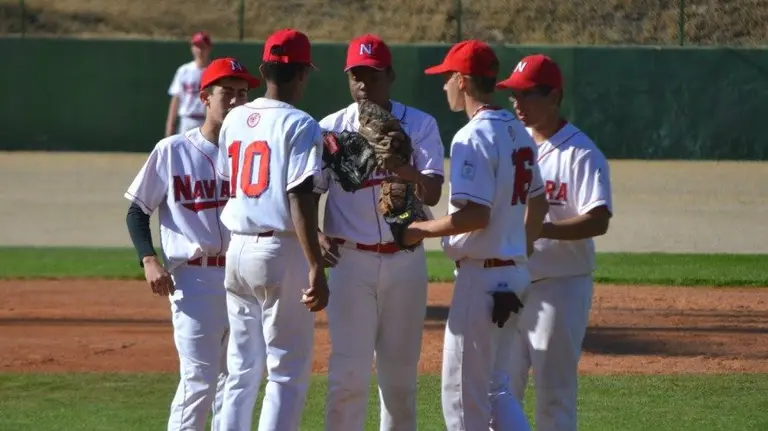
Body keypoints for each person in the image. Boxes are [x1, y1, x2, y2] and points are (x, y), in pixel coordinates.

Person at [405, 40, 550, 431]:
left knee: (462, 398)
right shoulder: (520, 133)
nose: (443, 87)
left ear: (462, 80)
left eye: (446, 78)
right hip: (514, 273)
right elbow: (539, 203)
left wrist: (420, 229)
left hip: (483, 279)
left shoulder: (471, 136)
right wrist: (521, 247)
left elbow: (475, 215)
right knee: (496, 390)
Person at [313, 33, 445, 431]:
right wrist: (317, 236)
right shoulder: (329, 129)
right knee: (347, 377)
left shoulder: (420, 124)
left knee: (400, 381)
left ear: (390, 75)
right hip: (350, 262)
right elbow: (308, 192)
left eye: (371, 75)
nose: (363, 84)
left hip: (405, 262)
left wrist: (402, 168)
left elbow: (433, 192)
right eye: (356, 75)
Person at [124, 56, 260, 431]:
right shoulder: (172, 150)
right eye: (227, 93)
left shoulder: (252, 153)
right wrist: (148, 259)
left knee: (236, 381)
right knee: (199, 381)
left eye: (243, 93)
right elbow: (137, 210)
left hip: (243, 275)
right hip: (194, 281)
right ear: (204, 98)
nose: (236, 101)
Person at [215, 28, 329, 431]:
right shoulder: (301, 124)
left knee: (241, 370)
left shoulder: (233, 119)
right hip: (279, 252)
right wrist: (315, 262)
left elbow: (230, 181)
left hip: (237, 250)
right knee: (285, 372)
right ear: (303, 74)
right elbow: (299, 196)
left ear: (265, 70)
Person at [496, 54, 614, 431]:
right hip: (511, 282)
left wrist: (540, 229)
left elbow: (599, 218)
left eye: (528, 95)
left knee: (554, 395)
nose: (517, 104)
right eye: (514, 94)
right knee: (498, 389)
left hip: (561, 287)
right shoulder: (512, 143)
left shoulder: (580, 152)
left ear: (555, 96)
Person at [165, 31, 213, 136]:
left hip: (206, 120)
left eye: (202, 46)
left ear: (209, 48)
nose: (199, 50)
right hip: (186, 120)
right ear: (192, 48)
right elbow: (176, 99)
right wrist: (170, 125)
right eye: (196, 46)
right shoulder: (184, 70)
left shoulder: (214, 70)